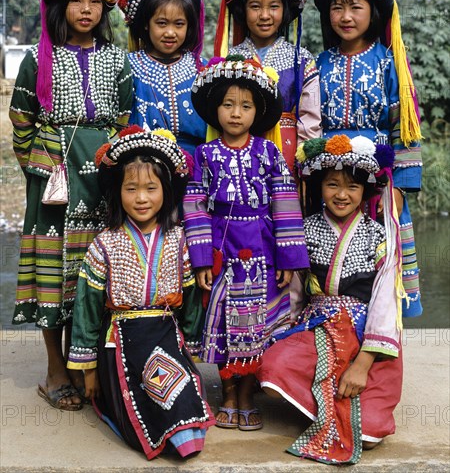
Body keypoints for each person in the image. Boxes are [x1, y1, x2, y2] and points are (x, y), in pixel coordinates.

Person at [10, 0, 133, 410]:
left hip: (100, 174)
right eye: (76, 0)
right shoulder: (37, 59)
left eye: (95, 0)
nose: (85, 9)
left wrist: (108, 162)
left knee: (95, 269)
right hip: (53, 181)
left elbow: (124, 118)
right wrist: (39, 166)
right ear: (60, 5)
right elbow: (21, 115)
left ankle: (90, 364)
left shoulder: (117, 61)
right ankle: (55, 368)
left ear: (105, 7)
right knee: (52, 272)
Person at [67, 127, 214, 459]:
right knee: (151, 381)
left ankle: (183, 433)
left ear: (166, 191)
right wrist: (88, 369)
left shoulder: (179, 241)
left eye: (151, 188)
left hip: (165, 333)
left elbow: (189, 298)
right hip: (121, 338)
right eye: (131, 189)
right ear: (118, 192)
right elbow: (87, 308)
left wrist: (191, 344)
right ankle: (173, 433)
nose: (142, 198)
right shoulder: (105, 244)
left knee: (182, 387)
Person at [258, 135, 403, 464]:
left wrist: (363, 366)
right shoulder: (304, 231)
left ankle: (326, 403)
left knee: (373, 432)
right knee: (271, 371)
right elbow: (294, 294)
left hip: (365, 338)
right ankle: (324, 405)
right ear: (319, 186)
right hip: (317, 326)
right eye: (332, 184)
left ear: (365, 191)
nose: (341, 194)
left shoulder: (380, 236)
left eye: (352, 187)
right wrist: (277, 334)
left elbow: (385, 305)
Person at [183, 55, 310, 431]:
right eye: (228, 104)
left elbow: (285, 203)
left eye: (245, 106)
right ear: (214, 109)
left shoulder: (268, 153)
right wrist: (202, 259)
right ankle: (226, 394)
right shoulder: (204, 156)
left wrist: (289, 259)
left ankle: (247, 393)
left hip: (262, 251)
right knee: (225, 325)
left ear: (258, 112)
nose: (236, 113)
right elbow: (195, 205)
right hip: (225, 254)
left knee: (256, 328)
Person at [313, 0, 423, 316]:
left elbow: (402, 123)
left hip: (378, 179)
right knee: (331, 259)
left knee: (380, 259)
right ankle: (333, 331)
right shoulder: (319, 63)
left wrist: (402, 186)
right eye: (337, 8)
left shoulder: (388, 62)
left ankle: (382, 340)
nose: (345, 17)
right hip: (329, 176)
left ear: (373, 12)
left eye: (355, 7)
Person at [214, 0, 322, 174]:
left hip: (289, 153)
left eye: (274, 7)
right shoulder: (229, 60)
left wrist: (306, 161)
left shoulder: (301, 59)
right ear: (243, 10)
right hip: (238, 154)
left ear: (285, 10)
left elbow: (311, 120)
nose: (264, 15)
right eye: (255, 7)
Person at [119, 0, 207, 157]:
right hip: (143, 166)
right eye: (161, 23)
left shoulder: (203, 69)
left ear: (189, 27)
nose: (170, 32)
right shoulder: (127, 67)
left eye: (179, 24)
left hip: (197, 167)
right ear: (145, 25)